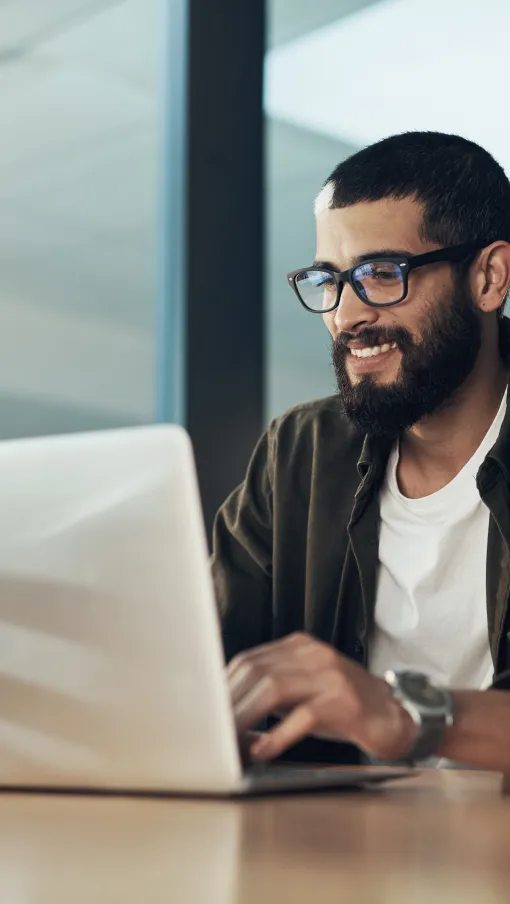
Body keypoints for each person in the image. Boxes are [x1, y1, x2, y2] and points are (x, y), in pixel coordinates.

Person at [211, 131, 510, 771]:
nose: (346, 314)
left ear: (488, 277)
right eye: (329, 279)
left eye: (381, 274)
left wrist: (401, 714)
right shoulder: (300, 454)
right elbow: (208, 657)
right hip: (335, 846)